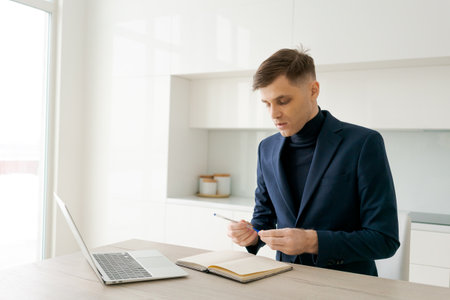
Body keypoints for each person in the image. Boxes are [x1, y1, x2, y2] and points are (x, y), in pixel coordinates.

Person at [227, 48, 399, 276]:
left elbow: (384, 239)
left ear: (313, 90)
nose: (273, 114)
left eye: (283, 101)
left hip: (349, 286)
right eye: (267, 104)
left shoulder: (363, 143)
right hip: (285, 280)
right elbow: (263, 219)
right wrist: (251, 235)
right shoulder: (266, 149)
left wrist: (312, 241)